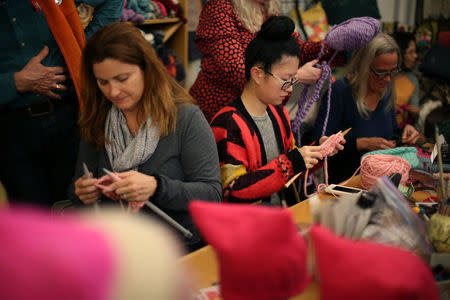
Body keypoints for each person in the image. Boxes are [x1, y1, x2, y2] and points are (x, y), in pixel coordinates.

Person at [69, 22, 222, 251]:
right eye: (103, 82)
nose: (113, 92)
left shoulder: (185, 117)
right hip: (115, 249)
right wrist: (82, 192)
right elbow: (75, 190)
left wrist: (157, 187)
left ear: (146, 69)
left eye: (122, 78)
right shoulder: (98, 119)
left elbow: (211, 195)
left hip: (176, 251)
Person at [0, 0, 124, 206]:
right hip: (10, 129)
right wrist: (16, 82)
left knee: (74, 208)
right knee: (31, 220)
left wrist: (79, 50)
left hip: (66, 118)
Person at [210, 16, 344, 204]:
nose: (290, 88)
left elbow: (291, 172)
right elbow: (233, 191)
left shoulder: (277, 113)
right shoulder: (227, 123)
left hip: (283, 217)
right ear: (257, 74)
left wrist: (317, 152)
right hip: (248, 228)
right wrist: (293, 161)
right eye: (286, 79)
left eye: (293, 80)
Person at [190, 0, 343, 122]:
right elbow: (239, 72)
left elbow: (296, 49)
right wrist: (296, 77)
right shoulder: (219, 8)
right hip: (219, 112)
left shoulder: (266, 9)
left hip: (256, 112)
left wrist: (334, 46)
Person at [313, 33, 421, 184]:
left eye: (393, 71)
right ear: (363, 66)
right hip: (345, 186)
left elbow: (390, 134)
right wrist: (361, 143)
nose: (388, 79)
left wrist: (404, 132)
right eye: (381, 72)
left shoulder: (386, 90)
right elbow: (319, 144)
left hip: (381, 184)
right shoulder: (339, 91)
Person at [392, 31, 420, 127]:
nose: (415, 56)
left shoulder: (412, 80)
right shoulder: (380, 76)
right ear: (400, 53)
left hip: (399, 131)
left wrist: (415, 112)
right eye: (411, 52)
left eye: (415, 52)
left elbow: (414, 116)